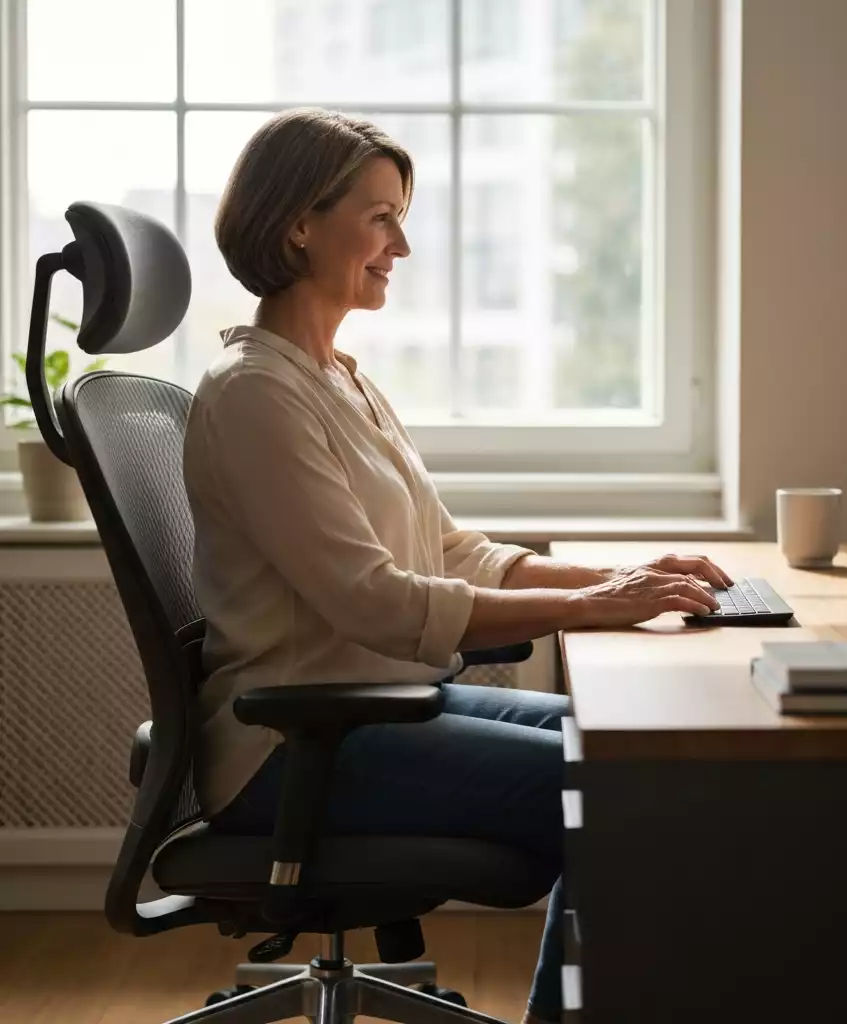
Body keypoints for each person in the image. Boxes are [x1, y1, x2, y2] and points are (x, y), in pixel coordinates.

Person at [182, 107, 733, 1024]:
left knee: (645, 752)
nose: (401, 243)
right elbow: (378, 603)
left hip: (370, 703)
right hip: (298, 744)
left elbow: (449, 551)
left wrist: (625, 578)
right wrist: (595, 606)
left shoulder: (338, 377)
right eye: (381, 216)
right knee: (629, 791)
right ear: (299, 226)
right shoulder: (256, 397)